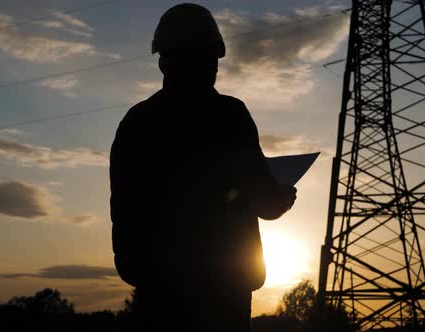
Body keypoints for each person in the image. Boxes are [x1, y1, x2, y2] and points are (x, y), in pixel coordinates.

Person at [109, 3, 296, 331]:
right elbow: (265, 202)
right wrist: (282, 196)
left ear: (162, 59)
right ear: (212, 58)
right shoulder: (228, 116)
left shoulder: (136, 123)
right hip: (223, 297)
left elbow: (124, 210)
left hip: (157, 296)